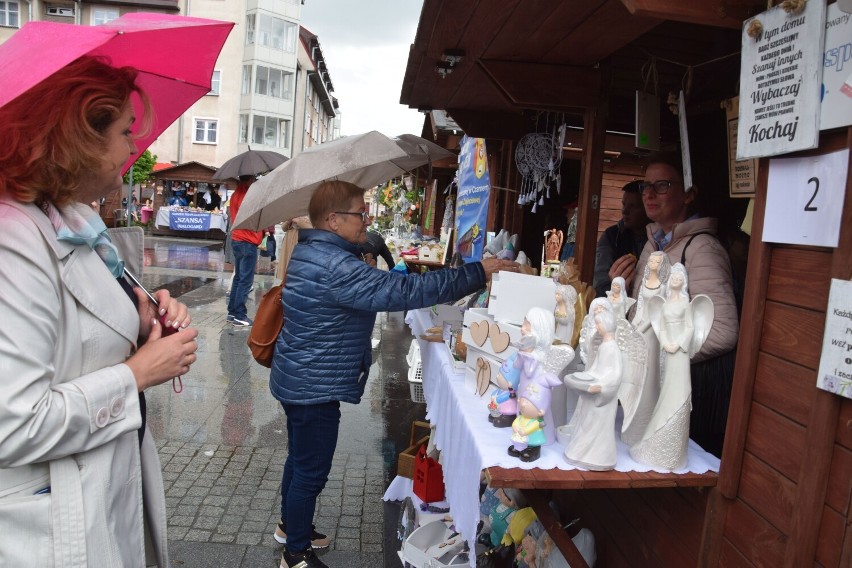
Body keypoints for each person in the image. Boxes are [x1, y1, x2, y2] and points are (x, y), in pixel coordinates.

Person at [0, 56, 199, 567]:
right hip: (48, 524)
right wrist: (134, 374)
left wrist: (141, 324)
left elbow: (75, 335)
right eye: (125, 131)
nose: (135, 147)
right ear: (80, 138)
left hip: (102, 489)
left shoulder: (68, 219)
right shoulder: (12, 240)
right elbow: (13, 425)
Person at [270, 180, 519, 568]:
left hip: (299, 374)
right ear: (333, 220)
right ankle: (295, 552)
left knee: (300, 458)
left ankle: (291, 527)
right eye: (359, 213)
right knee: (310, 467)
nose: (366, 220)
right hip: (312, 384)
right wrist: (476, 273)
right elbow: (403, 290)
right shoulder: (337, 265)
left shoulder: (312, 251)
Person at [628, 154, 738, 457]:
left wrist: (661, 358)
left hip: (682, 396)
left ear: (688, 194)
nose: (649, 194)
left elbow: (724, 330)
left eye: (661, 185)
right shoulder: (655, 244)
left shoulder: (701, 248)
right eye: (645, 186)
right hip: (649, 388)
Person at [593, 180, 650, 297]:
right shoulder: (612, 236)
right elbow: (600, 279)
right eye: (624, 205)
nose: (625, 211)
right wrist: (614, 294)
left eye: (633, 206)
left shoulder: (657, 238)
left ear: (647, 208)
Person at [226, 175, 264, 327]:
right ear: (248, 180)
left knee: (238, 278)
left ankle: (232, 312)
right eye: (254, 179)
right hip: (248, 240)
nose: (255, 181)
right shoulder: (247, 196)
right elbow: (253, 218)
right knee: (245, 281)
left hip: (237, 239)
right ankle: (240, 315)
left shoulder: (236, 194)